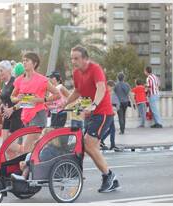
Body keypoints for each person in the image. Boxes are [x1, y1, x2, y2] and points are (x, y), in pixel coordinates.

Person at [62, 45, 120, 193]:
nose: (73, 61)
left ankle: (108, 176)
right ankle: (103, 176)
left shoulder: (95, 69)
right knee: (85, 145)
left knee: (88, 144)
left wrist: (94, 104)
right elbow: (77, 91)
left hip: (102, 112)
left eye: (76, 58)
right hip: (90, 113)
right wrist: (65, 103)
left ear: (85, 59)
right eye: (72, 58)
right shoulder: (76, 73)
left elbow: (101, 88)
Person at [10, 52, 60, 153]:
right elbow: (12, 97)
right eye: (23, 60)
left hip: (38, 115)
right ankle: (39, 162)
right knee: (21, 148)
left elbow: (57, 94)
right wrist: (17, 99)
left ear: (34, 63)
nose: (24, 63)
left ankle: (28, 166)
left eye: (27, 61)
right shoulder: (20, 80)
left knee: (27, 148)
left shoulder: (42, 80)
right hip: (25, 116)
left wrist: (41, 100)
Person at [0, 60, 23, 142]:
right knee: (5, 144)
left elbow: (25, 100)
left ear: (8, 70)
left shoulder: (16, 82)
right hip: (7, 116)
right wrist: (0, 108)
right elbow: (5, 99)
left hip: (16, 116)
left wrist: (12, 109)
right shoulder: (5, 83)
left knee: (12, 145)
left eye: (1, 70)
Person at [101, 80, 121, 151]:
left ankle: (102, 140)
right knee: (112, 129)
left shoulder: (108, 93)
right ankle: (112, 144)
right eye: (111, 87)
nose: (112, 89)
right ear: (108, 86)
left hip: (110, 112)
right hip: (107, 113)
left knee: (111, 129)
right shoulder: (105, 92)